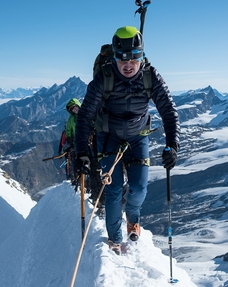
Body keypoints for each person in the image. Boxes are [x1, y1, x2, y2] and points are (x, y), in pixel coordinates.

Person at [74, 26, 180, 254]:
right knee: (112, 191)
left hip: (137, 136)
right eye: (122, 58)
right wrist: (82, 151)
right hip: (108, 137)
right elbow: (84, 116)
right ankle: (115, 239)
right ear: (115, 57)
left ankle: (133, 219)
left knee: (139, 188)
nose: (128, 63)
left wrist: (173, 144)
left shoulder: (151, 77)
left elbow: (169, 110)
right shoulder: (105, 78)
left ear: (142, 55)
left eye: (134, 57)